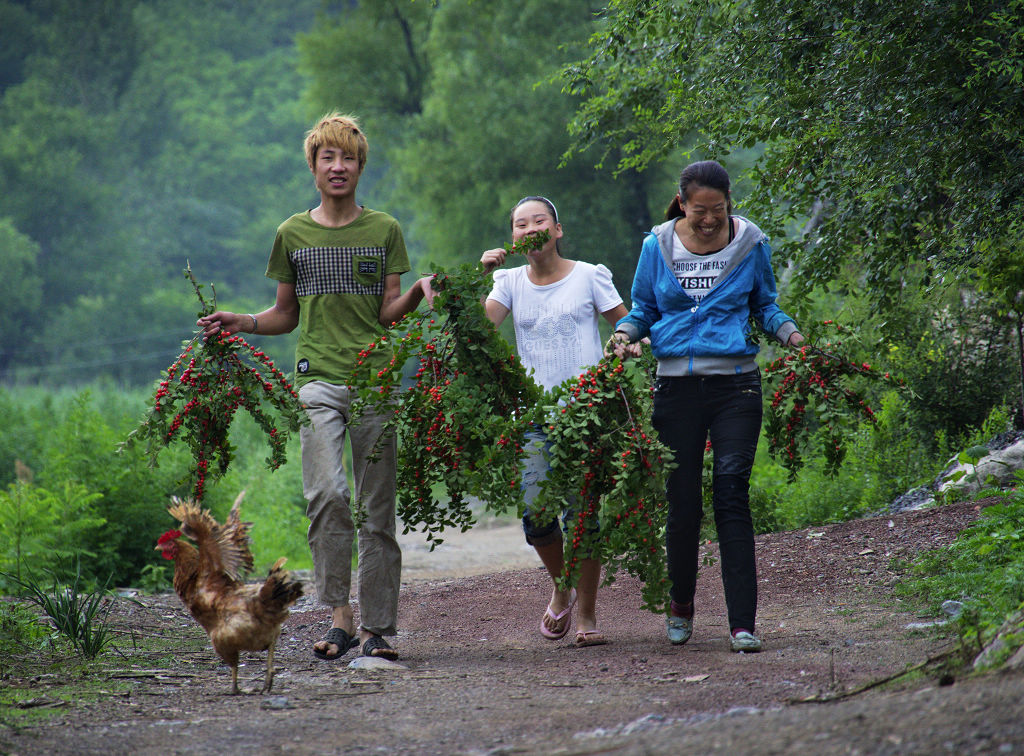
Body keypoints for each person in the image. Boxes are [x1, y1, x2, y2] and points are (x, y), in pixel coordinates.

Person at [198, 112, 433, 662]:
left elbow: (389, 313)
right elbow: (285, 314)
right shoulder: (292, 234)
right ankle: (340, 618)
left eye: (347, 158)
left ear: (359, 166)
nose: (338, 166)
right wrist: (243, 321)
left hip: (375, 384)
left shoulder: (384, 230)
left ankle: (376, 629)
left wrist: (419, 291)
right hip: (317, 381)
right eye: (328, 157)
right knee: (327, 495)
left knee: (377, 509)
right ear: (313, 166)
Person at [610, 160, 803, 653]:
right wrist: (625, 334)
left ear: (728, 203)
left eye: (718, 209)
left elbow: (765, 304)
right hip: (676, 390)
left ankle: (742, 624)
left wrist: (790, 333)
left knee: (732, 492)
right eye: (700, 210)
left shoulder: (751, 244)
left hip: (736, 385)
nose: (710, 219)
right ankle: (681, 606)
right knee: (683, 502)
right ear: (683, 203)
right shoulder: (657, 247)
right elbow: (643, 309)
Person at [480, 196, 630, 648]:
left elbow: (626, 325)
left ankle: (586, 616)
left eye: (538, 221)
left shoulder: (589, 275)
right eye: (520, 224)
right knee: (536, 516)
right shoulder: (507, 282)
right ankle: (560, 586)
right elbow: (478, 335)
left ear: (557, 229)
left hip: (586, 414)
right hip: (535, 418)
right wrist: (479, 276)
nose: (530, 229)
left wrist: (625, 344)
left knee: (583, 516)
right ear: (513, 238)